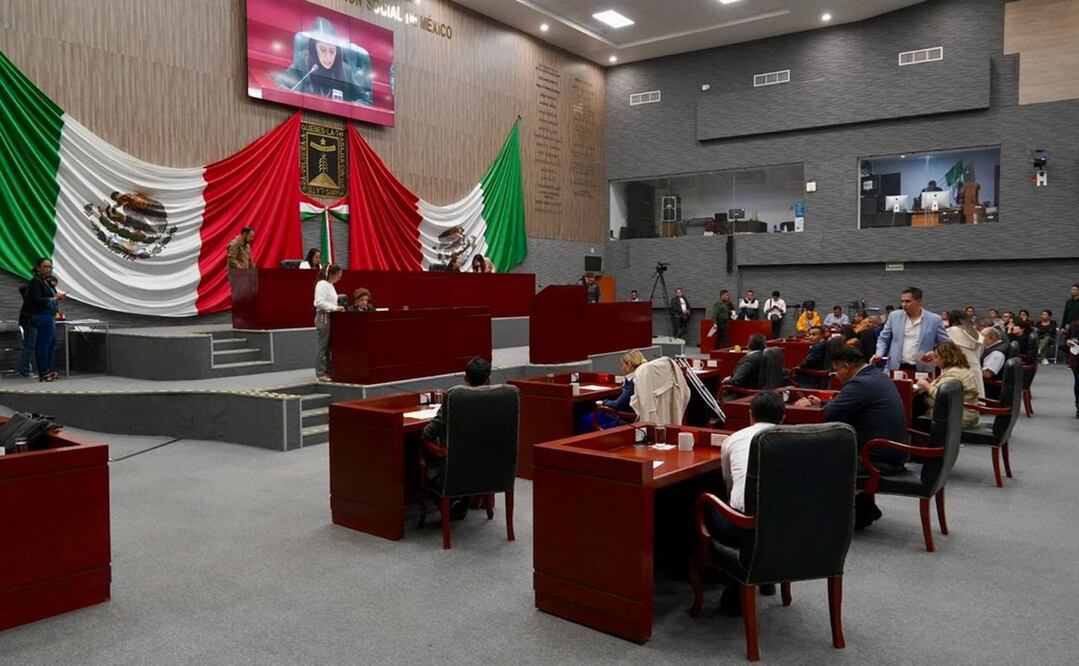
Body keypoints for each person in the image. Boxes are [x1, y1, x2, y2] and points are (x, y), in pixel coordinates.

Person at [794, 346, 907, 529]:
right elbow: (843, 405)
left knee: (813, 458)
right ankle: (861, 510)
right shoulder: (876, 376)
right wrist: (822, 402)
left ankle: (826, 519)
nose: (835, 375)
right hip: (893, 452)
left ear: (846, 367)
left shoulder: (859, 384)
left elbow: (829, 414)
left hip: (877, 458)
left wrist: (812, 404)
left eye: (836, 370)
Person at [423, 357, 492, 520]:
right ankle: (462, 503)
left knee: (431, 452)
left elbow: (428, 433)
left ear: (465, 378)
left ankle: (448, 504)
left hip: (455, 471)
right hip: (490, 469)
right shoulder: (504, 399)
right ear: (489, 379)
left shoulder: (454, 400)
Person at [871, 286, 949, 373]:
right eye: (902, 301)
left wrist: (934, 353)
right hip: (896, 366)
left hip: (922, 368)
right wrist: (879, 353)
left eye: (908, 301)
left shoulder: (934, 320)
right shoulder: (894, 316)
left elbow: (946, 344)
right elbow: (883, 338)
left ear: (919, 301)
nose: (904, 304)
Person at [916, 341, 980, 428]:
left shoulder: (954, 373)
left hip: (959, 416)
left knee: (915, 411)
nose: (935, 360)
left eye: (937, 357)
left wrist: (927, 386)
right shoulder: (959, 369)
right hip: (963, 412)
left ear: (945, 358)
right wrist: (933, 383)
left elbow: (943, 397)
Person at [580, 350, 647, 431]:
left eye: (622, 365)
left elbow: (616, 404)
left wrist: (603, 402)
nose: (621, 368)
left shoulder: (633, 381)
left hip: (623, 419)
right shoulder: (641, 377)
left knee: (586, 419)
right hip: (625, 415)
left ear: (628, 365)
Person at [26, 257, 66, 382]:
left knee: (51, 344)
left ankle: (49, 369)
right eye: (45, 266)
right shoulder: (36, 281)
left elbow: (51, 297)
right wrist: (53, 299)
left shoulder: (46, 281)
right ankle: (43, 372)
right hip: (41, 315)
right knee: (43, 344)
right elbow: (37, 299)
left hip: (49, 315)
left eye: (50, 267)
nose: (48, 269)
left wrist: (57, 297)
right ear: (38, 268)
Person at [313, 264, 345, 381]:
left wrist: (337, 307)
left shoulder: (330, 285)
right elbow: (319, 302)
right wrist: (335, 308)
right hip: (323, 317)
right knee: (322, 346)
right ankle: (321, 373)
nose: (339, 278)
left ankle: (327, 370)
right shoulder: (322, 284)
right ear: (332, 274)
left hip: (330, 317)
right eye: (338, 275)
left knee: (328, 347)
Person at [946, 309, 985, 397]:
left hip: (959, 370)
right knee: (976, 398)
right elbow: (982, 350)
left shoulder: (951, 331)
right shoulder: (976, 333)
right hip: (975, 367)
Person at [722, 333, 766, 400]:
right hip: (758, 391)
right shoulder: (764, 355)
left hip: (744, 394)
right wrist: (731, 377)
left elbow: (736, 381)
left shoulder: (750, 359)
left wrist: (726, 381)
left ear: (749, 345)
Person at [980, 327, 1009, 400]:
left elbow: (987, 374)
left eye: (982, 336)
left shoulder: (996, 353)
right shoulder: (999, 345)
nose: (979, 339)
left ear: (991, 338)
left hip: (989, 392)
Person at [17, 283, 36, 377]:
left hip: (26, 321)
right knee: (30, 346)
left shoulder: (27, 299)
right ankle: (25, 369)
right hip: (29, 321)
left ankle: (25, 368)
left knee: (28, 345)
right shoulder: (30, 300)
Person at [1065, 320, 1079, 418]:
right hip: (1076, 357)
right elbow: (1066, 338)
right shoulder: (1074, 325)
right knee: (1078, 381)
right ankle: (1078, 405)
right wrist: (1069, 342)